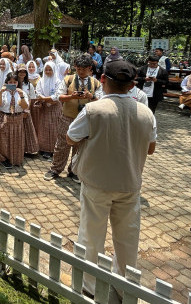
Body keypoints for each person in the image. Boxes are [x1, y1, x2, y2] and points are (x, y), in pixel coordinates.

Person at [67, 60, 156, 298]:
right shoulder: (146, 112)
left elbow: (70, 138)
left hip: (97, 182)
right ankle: (124, 284)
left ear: (103, 80)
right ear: (132, 85)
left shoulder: (94, 109)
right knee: (128, 236)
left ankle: (90, 284)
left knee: (91, 233)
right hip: (130, 183)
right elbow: (151, 148)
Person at [45, 54, 102, 181]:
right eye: (78, 69)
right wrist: (72, 97)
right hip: (67, 117)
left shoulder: (96, 83)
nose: (81, 72)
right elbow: (59, 96)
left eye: (84, 69)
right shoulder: (68, 79)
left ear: (90, 68)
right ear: (75, 68)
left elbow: (101, 100)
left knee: (81, 146)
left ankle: (74, 171)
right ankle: (55, 169)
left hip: (87, 119)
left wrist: (90, 96)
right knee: (62, 144)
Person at [0, 72, 29, 169]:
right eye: (10, 82)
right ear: (6, 82)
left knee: (16, 138)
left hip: (17, 118)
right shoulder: (3, 92)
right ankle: (3, 159)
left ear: (18, 83)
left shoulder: (22, 92)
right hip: (4, 116)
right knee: (3, 139)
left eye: (15, 82)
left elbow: (25, 106)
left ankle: (15, 158)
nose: (12, 84)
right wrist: (1, 92)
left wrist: (21, 96)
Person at [34, 61, 62, 160]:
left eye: (50, 70)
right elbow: (38, 92)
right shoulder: (41, 81)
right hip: (44, 107)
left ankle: (52, 149)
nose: (48, 71)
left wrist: (46, 100)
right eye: (46, 69)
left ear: (54, 70)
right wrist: (44, 99)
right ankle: (43, 148)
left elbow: (58, 95)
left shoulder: (58, 81)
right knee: (43, 127)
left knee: (54, 127)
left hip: (55, 107)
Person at [16, 64, 39, 156]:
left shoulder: (29, 85)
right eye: (20, 71)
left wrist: (27, 110)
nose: (22, 73)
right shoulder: (13, 83)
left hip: (25, 109)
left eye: (24, 72)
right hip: (16, 110)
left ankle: (27, 149)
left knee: (26, 130)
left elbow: (31, 98)